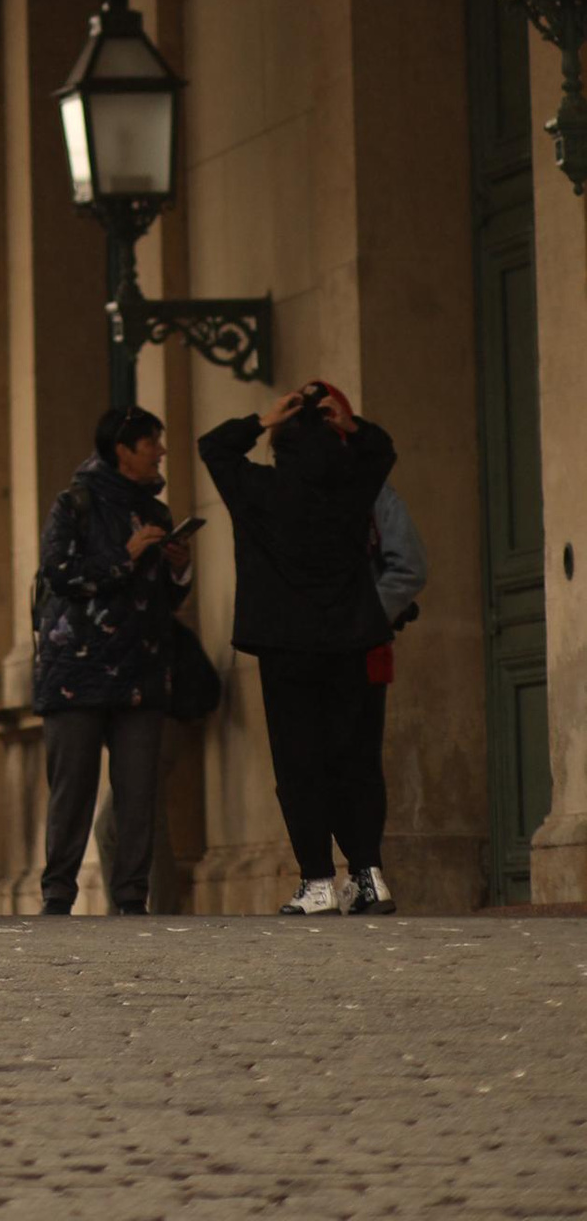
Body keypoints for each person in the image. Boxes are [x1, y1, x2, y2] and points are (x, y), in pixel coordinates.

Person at [199, 379, 396, 919]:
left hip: (287, 646)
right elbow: (382, 449)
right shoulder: (353, 487)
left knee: (299, 763)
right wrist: (351, 426)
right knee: (355, 760)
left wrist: (262, 419)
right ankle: (368, 875)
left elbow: (213, 446)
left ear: (279, 448)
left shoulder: (259, 491)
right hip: (352, 640)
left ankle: (317, 881)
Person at [33, 402, 196, 917]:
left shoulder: (157, 511)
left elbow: (163, 601)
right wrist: (126, 554)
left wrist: (177, 569)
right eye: (152, 444)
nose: (162, 453)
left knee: (138, 792)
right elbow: (60, 574)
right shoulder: (74, 503)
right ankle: (58, 894)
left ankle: (131, 896)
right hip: (74, 673)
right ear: (124, 450)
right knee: (72, 790)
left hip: (142, 668)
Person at [346, 477, 429, 919]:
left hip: (359, 651)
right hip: (336, 645)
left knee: (356, 763)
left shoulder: (371, 490)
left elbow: (409, 565)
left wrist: (364, 619)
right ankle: (355, 874)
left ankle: (362, 872)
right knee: (350, 764)